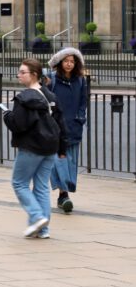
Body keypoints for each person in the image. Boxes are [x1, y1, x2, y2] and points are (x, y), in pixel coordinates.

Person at [2, 58, 67, 239]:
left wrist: (7, 115)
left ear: (34, 75)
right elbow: (60, 123)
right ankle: (43, 229)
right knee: (41, 187)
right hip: (50, 147)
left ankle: (37, 217)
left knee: (19, 183)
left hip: (32, 146)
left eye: (23, 72)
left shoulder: (24, 98)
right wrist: (62, 149)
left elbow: (19, 125)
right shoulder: (50, 96)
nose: (19, 75)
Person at [47, 47, 87, 213]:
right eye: (66, 61)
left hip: (73, 125)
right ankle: (64, 193)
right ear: (60, 62)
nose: (69, 64)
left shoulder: (81, 80)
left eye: (72, 61)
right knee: (57, 159)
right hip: (55, 126)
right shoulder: (52, 79)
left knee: (70, 160)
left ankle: (63, 195)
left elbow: (83, 102)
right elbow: (45, 99)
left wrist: (80, 118)